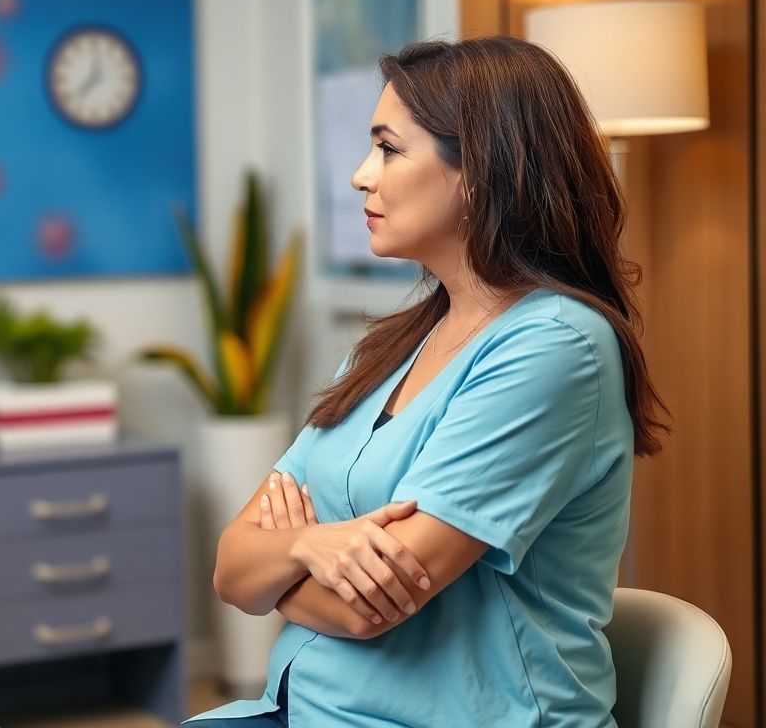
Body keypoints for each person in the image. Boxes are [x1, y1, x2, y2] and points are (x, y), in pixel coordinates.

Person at [189, 36, 668, 727]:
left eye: (387, 148)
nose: (361, 175)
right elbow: (230, 569)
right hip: (300, 709)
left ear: (479, 171)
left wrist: (278, 579)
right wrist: (305, 546)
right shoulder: (387, 348)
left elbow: (369, 608)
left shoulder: (554, 347)